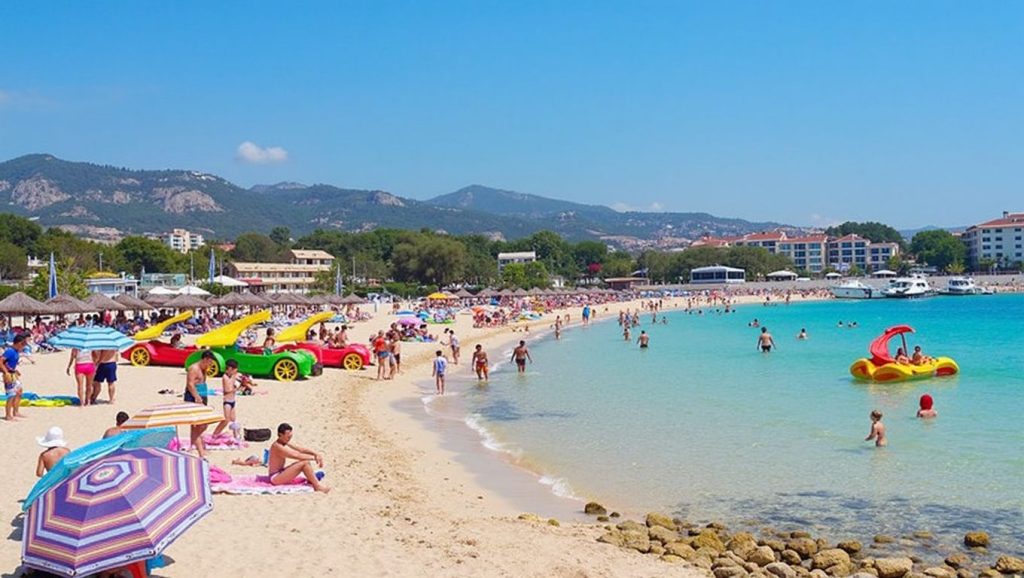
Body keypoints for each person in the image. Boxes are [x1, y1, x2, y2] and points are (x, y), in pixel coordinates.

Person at [267, 423, 330, 493]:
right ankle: (317, 486)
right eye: (288, 437)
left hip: (280, 472)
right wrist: (314, 458)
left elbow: (301, 449)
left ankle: (312, 480)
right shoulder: (277, 446)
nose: (289, 438)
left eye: (290, 436)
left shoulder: (284, 441)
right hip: (275, 478)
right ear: (280, 435)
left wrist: (315, 454)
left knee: (304, 463)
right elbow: (296, 455)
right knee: (305, 463)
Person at [184, 351, 216, 459]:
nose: (210, 365)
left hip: (202, 395)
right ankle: (200, 452)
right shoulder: (194, 368)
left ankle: (194, 445)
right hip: (193, 396)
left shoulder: (204, 369)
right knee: (196, 425)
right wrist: (197, 397)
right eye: (209, 362)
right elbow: (190, 384)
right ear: (205, 359)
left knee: (203, 424)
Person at [213, 359, 242, 437]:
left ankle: (236, 435)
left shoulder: (233, 376)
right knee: (226, 419)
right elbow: (227, 390)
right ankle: (215, 433)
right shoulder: (225, 377)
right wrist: (236, 389)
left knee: (233, 419)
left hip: (232, 400)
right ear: (230, 368)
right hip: (227, 401)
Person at [3, 334, 27, 421]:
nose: (23, 347)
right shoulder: (10, 351)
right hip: (9, 376)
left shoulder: (16, 352)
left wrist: (15, 370)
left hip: (13, 374)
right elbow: (0, 361)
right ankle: (8, 415)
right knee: (11, 395)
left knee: (19, 391)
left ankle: (16, 412)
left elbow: (9, 364)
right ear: (19, 343)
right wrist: (6, 372)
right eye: (23, 344)